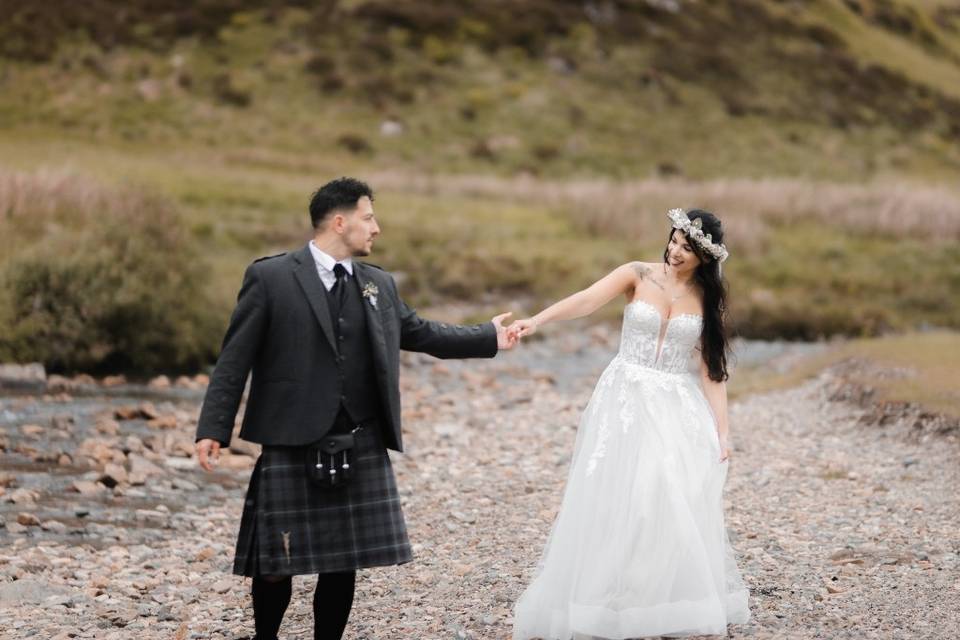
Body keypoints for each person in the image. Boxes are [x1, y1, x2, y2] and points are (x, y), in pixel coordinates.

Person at [194, 177, 517, 640]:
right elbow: (234, 358)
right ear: (339, 221)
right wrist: (213, 428)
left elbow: (421, 333)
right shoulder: (271, 277)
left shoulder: (377, 284)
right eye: (369, 217)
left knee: (343, 561)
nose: (376, 228)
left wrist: (488, 336)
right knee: (274, 565)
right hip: (291, 435)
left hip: (359, 437)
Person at [510, 208, 750, 639]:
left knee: (661, 494)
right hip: (624, 397)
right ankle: (602, 591)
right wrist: (537, 321)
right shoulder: (637, 274)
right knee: (613, 491)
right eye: (674, 241)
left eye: (687, 248)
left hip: (676, 406)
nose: (676, 251)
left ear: (704, 258)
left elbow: (712, 372)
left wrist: (723, 430)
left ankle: (649, 597)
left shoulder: (707, 301)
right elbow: (586, 299)